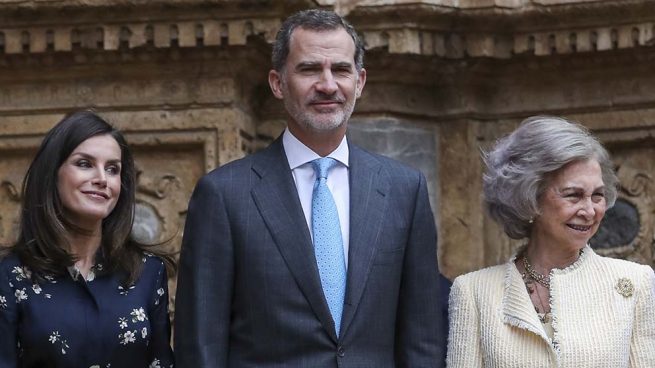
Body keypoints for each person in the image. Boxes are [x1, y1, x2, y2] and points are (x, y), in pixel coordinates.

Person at [174, 8, 447, 368]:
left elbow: (422, 338)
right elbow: (201, 346)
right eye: (309, 69)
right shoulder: (224, 195)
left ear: (360, 82)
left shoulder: (403, 189)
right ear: (277, 82)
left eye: (341, 69)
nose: (328, 85)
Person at [446, 116, 655, 367]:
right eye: (573, 195)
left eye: (597, 195)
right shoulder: (474, 292)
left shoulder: (635, 283)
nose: (589, 211)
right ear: (530, 199)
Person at [0, 111, 175, 368]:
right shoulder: (12, 276)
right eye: (85, 164)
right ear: (52, 173)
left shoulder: (147, 271)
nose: (102, 179)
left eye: (113, 169)